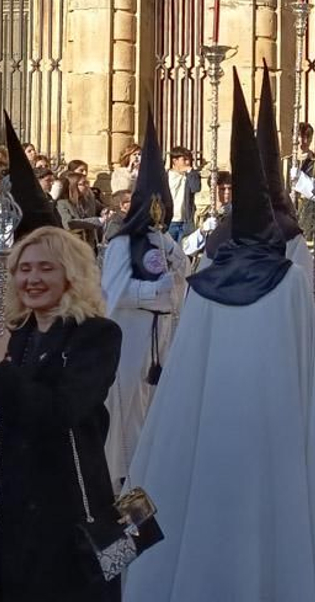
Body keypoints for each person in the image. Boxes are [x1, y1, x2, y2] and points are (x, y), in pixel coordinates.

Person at [123, 74, 315, 602]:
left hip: (207, 426)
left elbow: (183, 375)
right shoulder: (287, 280)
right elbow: (308, 363)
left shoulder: (205, 281)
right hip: (276, 425)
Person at [0, 226, 122, 602]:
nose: (32, 278)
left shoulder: (96, 335)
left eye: (46, 268)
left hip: (66, 506)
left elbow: (62, 411)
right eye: (24, 269)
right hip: (11, 507)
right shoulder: (11, 335)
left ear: (71, 274)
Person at [101, 112, 186, 484]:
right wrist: (152, 291)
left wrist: (178, 272)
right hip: (132, 333)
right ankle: (123, 474)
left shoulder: (165, 241)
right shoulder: (122, 244)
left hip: (162, 332)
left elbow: (180, 279)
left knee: (156, 402)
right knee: (130, 404)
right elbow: (113, 292)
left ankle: (152, 469)